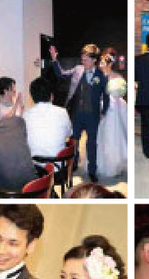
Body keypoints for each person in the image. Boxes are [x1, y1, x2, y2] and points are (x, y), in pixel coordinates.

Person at [48, 43, 109, 182]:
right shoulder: (77, 69)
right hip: (77, 113)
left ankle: (92, 170)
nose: (83, 61)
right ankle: (73, 164)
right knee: (74, 141)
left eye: (86, 59)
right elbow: (61, 74)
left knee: (91, 143)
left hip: (92, 115)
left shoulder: (101, 75)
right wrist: (54, 59)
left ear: (94, 60)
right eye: (82, 58)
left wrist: (104, 111)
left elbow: (106, 95)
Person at [22, 76, 71, 159]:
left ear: (32, 97)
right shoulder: (62, 112)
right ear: (51, 96)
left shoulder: (25, 115)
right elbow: (69, 134)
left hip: (33, 164)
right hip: (57, 163)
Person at [97, 52, 129, 178]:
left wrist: (116, 94)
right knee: (101, 136)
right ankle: (102, 163)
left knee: (114, 135)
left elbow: (122, 91)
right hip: (101, 106)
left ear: (109, 64)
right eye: (100, 62)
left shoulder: (117, 76)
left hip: (114, 108)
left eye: (102, 63)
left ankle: (116, 164)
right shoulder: (98, 76)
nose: (100, 65)